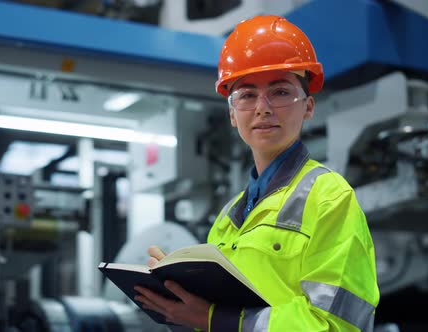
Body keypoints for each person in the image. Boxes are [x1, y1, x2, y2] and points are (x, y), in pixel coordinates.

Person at [134, 15, 380, 331]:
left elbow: (337, 324)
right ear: (233, 115)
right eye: (247, 95)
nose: (263, 107)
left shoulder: (330, 197)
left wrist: (214, 319)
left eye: (280, 92)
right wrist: (175, 297)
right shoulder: (227, 220)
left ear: (308, 107)